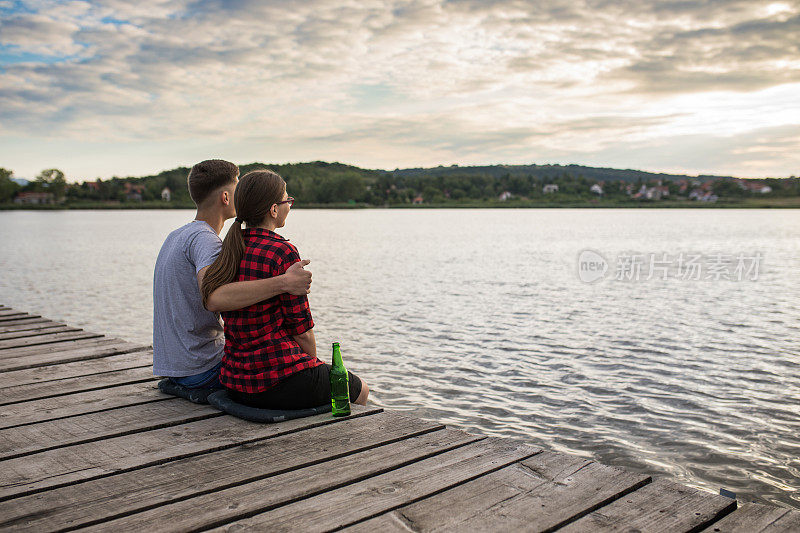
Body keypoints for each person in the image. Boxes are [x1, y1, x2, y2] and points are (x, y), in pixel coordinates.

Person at [200, 169, 369, 409]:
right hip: (276, 380)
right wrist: (314, 368)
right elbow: (301, 330)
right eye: (287, 200)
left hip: (234, 381)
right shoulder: (283, 252)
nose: (290, 205)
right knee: (360, 390)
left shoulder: (230, 247)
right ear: (273, 209)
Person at [153, 159, 312, 392]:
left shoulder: (177, 235)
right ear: (226, 198)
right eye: (239, 188)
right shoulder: (206, 241)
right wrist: (285, 282)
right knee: (273, 372)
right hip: (202, 369)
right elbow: (214, 298)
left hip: (174, 368)